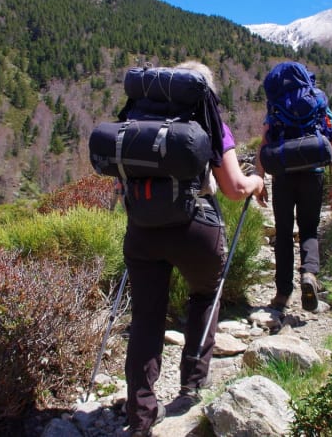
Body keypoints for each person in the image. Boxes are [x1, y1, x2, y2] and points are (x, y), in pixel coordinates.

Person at [122, 61, 266, 436]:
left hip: (143, 230)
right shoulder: (209, 120)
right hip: (196, 228)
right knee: (205, 295)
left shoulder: (138, 117)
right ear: (204, 90)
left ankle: (139, 416)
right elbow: (234, 188)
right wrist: (256, 181)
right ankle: (192, 386)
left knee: (146, 318)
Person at [256, 63, 332, 312]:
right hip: (313, 174)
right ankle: (309, 275)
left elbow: (263, 145)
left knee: (283, 233)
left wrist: (260, 179)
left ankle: (283, 294)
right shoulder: (318, 103)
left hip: (282, 176)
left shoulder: (275, 106)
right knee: (309, 229)